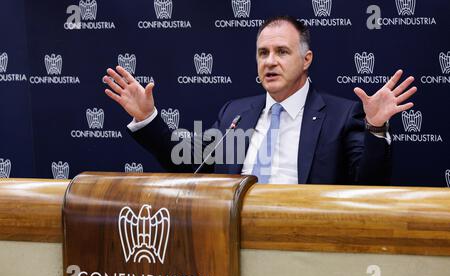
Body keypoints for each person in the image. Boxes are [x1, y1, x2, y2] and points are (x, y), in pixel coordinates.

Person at [103, 16, 417, 185]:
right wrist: (149, 118)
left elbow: (369, 183)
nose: (270, 61)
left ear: (306, 59)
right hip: (232, 239)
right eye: (263, 53)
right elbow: (188, 162)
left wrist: (375, 127)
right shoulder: (236, 114)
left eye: (282, 52)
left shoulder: (340, 115)